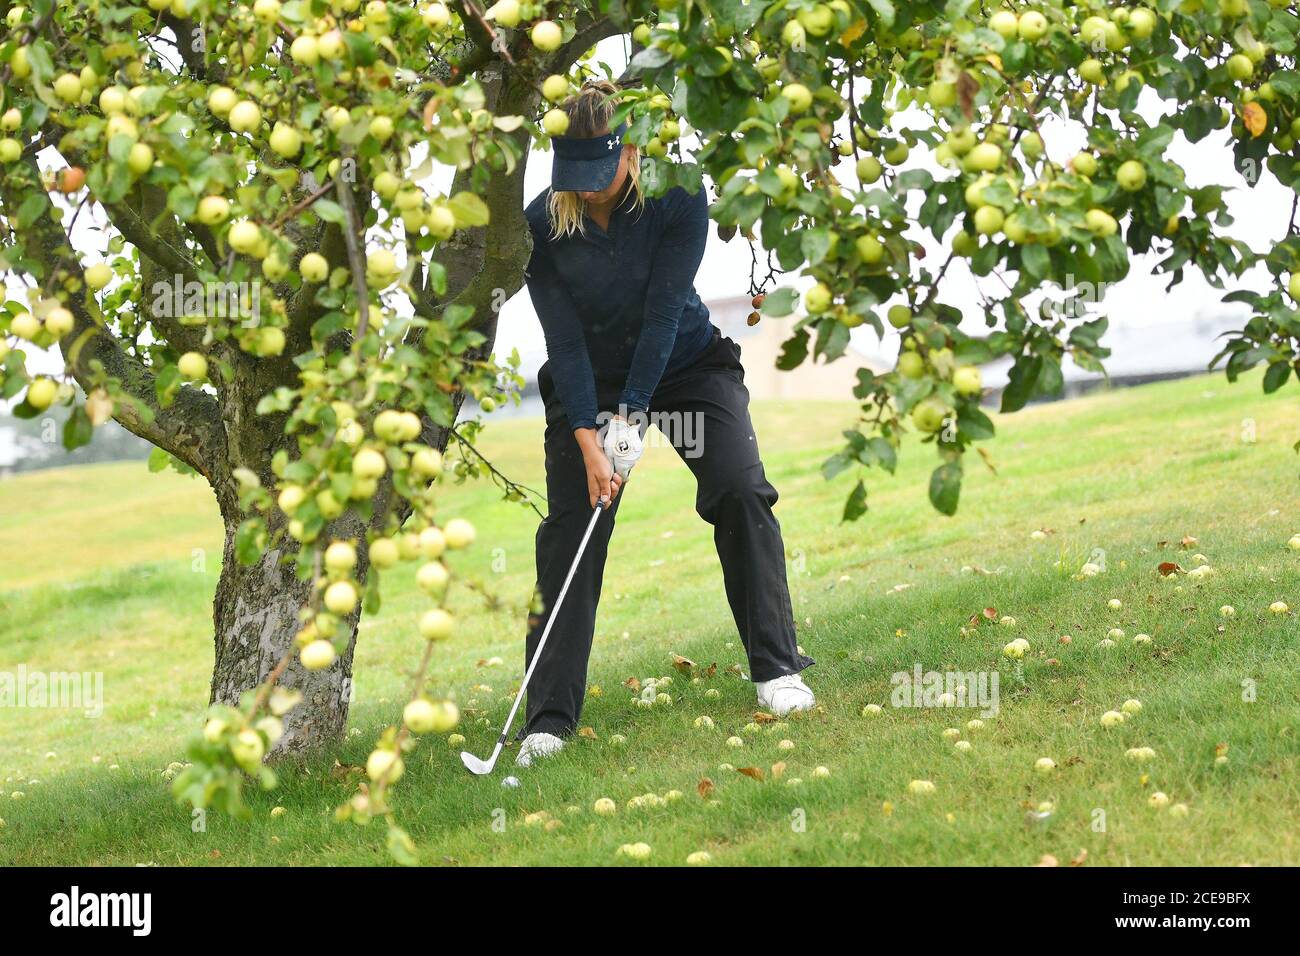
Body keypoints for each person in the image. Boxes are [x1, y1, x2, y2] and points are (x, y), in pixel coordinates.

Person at [514, 78, 815, 767]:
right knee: (570, 534)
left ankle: (776, 670)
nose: (588, 189)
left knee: (738, 490)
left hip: (682, 371)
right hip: (586, 387)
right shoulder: (541, 226)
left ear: (633, 151)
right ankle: (549, 720)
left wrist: (635, 420)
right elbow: (563, 342)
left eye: (601, 172)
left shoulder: (679, 197)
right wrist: (592, 436)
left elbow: (659, 316)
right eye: (575, 175)